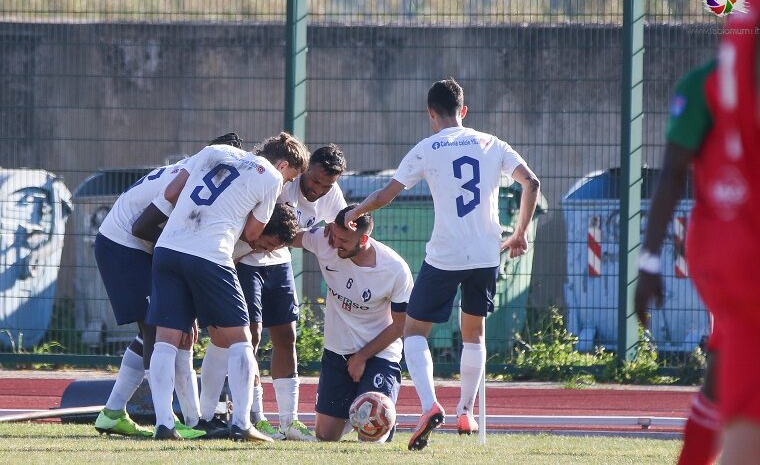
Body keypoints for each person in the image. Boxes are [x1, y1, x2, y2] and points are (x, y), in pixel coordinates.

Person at [343, 78, 540, 451]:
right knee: (474, 334)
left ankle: (429, 405)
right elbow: (531, 183)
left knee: (415, 332)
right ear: (463, 111)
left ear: (431, 114)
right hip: (485, 253)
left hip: (445, 255)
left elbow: (385, 194)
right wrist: (519, 234)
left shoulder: (427, 148)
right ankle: (466, 411)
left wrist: (355, 212)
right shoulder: (492, 143)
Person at [635, 0, 760, 462]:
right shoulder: (705, 88)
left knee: (717, 384)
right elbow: (670, 177)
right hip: (736, 255)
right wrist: (648, 260)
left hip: (730, 257)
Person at [139, 132, 309, 441]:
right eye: (290, 178)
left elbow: (173, 191)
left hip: (168, 247)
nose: (285, 185)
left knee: (165, 338)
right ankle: (242, 423)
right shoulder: (269, 176)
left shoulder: (213, 150)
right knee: (241, 339)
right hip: (210, 252)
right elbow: (254, 231)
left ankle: (164, 423)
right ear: (283, 164)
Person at [93, 133, 242, 439]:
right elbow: (143, 227)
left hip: (143, 247)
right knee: (157, 328)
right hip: (124, 244)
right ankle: (173, 420)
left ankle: (112, 412)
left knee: (168, 331)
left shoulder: (199, 174)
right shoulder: (191, 181)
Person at [198, 144, 347, 441]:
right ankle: (256, 417)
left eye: (326, 184)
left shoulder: (331, 194)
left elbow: (340, 226)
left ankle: (289, 421)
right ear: (305, 170)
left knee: (286, 337)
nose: (318, 189)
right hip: (246, 260)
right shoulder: (280, 184)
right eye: (315, 180)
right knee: (249, 336)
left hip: (279, 264)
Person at [291, 205, 413, 442]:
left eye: (344, 240)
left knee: (370, 436)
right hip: (337, 351)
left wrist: (362, 357)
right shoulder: (325, 241)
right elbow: (286, 237)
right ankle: (353, 415)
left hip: (379, 354)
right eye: (335, 236)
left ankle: (379, 417)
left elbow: (401, 326)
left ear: (364, 238)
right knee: (325, 436)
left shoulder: (395, 269)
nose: (336, 244)